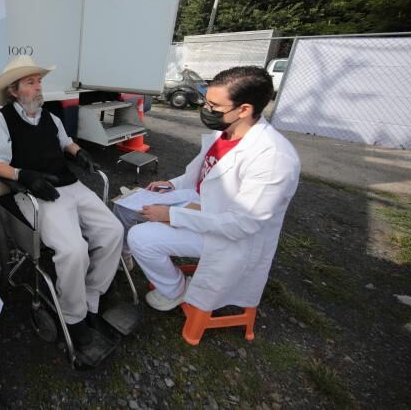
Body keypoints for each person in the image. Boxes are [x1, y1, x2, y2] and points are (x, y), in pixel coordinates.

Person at [120, 66, 300, 313]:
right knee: (129, 205)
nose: (205, 109)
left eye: (214, 106)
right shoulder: (227, 132)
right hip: (203, 205)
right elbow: (205, 175)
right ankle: (124, 257)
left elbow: (242, 225)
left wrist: (171, 215)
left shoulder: (273, 157)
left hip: (229, 235)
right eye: (206, 101)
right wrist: (175, 184)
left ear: (244, 109)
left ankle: (176, 291)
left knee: (142, 237)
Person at [0, 55, 123, 349]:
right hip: (35, 192)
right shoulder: (2, 119)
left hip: (69, 184)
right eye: (31, 83)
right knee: (74, 250)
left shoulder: (50, 116)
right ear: (13, 91)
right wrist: (26, 175)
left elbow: (65, 142)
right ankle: (73, 317)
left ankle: (91, 297)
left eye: (39, 82)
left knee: (113, 231)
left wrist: (78, 152)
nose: (38, 88)